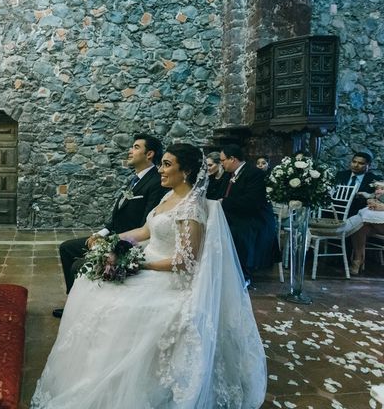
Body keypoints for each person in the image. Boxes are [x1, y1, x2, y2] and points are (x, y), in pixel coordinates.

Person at [32, 144, 267, 408]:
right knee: (92, 285)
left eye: (167, 164)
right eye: (162, 163)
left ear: (186, 170)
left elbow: (185, 261)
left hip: (168, 276)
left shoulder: (191, 209)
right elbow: (145, 231)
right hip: (148, 262)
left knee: (117, 306)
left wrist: (139, 266)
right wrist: (113, 241)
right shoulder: (167, 198)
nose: (161, 170)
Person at [53, 134, 167, 318]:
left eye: (136, 147)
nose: (130, 151)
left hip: (128, 242)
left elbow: (147, 224)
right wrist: (99, 233)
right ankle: (73, 302)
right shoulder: (135, 179)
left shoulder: (156, 182)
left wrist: (111, 243)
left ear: (149, 154)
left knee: (78, 264)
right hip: (113, 234)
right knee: (67, 248)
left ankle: (87, 306)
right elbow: (118, 215)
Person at [219, 144, 276, 285]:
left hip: (255, 218)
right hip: (236, 214)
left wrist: (223, 202)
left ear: (232, 159)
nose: (221, 163)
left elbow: (251, 201)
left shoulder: (254, 173)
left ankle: (243, 274)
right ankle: (222, 270)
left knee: (237, 232)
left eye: (223, 160)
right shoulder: (228, 174)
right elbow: (219, 194)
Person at [350, 181, 384, 274]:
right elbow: (371, 196)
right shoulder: (375, 198)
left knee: (360, 223)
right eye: (377, 189)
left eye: (382, 189)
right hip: (374, 225)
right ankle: (358, 260)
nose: (379, 191)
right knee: (359, 228)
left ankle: (357, 260)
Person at [335, 151, 381, 217]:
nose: (356, 165)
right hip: (336, 210)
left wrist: (370, 195)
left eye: (361, 163)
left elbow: (381, 197)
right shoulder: (341, 175)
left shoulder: (375, 180)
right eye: (354, 162)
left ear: (369, 165)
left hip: (359, 214)